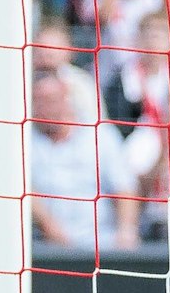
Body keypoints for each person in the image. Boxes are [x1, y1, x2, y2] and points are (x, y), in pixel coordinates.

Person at [29, 74, 141, 252]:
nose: (44, 108)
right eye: (38, 101)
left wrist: (126, 230)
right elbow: (22, 188)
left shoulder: (100, 135)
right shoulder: (24, 140)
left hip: (103, 244)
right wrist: (49, 226)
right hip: (45, 248)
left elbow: (124, 186)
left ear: (66, 96)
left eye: (50, 100)